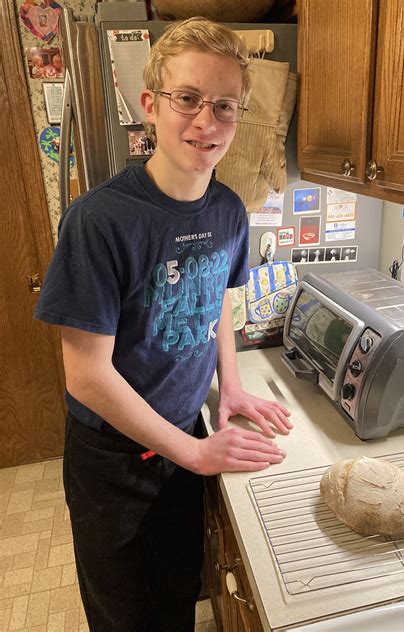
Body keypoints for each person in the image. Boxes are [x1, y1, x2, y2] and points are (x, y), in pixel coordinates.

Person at [34, 17, 292, 632]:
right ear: (151, 106)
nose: (207, 121)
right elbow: (87, 377)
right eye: (188, 99)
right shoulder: (99, 221)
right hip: (113, 458)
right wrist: (199, 455)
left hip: (184, 435)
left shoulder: (230, 209)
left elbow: (221, 303)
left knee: (176, 596)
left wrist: (228, 387)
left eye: (225, 105)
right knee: (122, 613)